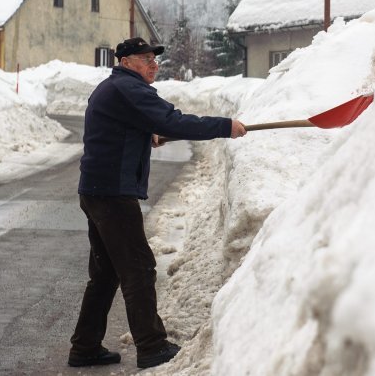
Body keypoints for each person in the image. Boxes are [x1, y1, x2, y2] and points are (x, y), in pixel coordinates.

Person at [67, 37, 247, 369]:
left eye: (155, 59)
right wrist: (225, 126)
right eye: (145, 58)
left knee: (106, 274)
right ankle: (151, 345)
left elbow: (130, 126)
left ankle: (85, 346)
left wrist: (149, 133)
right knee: (138, 268)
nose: (153, 64)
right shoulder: (129, 90)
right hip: (111, 195)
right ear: (124, 61)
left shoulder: (114, 89)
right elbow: (171, 119)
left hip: (95, 189)